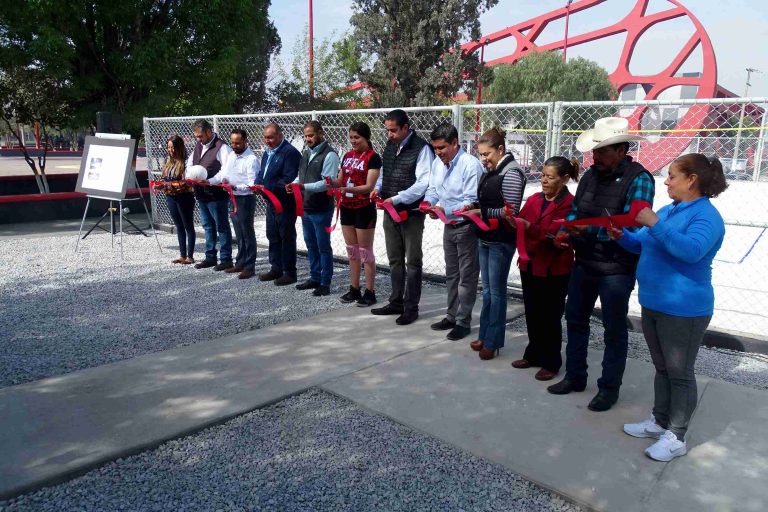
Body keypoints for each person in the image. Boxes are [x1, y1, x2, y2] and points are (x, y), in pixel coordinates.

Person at [613, 154, 726, 461]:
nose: (666, 181)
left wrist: (655, 224)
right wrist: (621, 235)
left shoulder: (706, 216)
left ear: (692, 180)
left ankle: (676, 435)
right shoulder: (669, 210)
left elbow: (690, 251)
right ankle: (660, 420)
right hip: (654, 302)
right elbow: (642, 243)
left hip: (684, 309)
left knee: (679, 372)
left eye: (672, 175)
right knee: (662, 367)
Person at [547, 117, 655, 413]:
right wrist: (565, 230)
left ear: (621, 150)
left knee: (613, 329)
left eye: (603, 151)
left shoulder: (640, 179)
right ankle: (575, 376)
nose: (595, 156)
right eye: (595, 150)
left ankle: (609, 388)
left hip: (616, 269)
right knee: (576, 320)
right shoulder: (590, 176)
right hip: (584, 262)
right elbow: (577, 211)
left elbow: (634, 226)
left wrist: (587, 230)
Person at [510, 157, 578, 379]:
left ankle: (551, 361)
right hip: (530, 265)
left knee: (550, 315)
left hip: (554, 269)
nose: (544, 181)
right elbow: (521, 222)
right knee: (532, 311)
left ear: (565, 179)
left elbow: (558, 238)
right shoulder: (534, 199)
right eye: (542, 176)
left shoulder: (570, 205)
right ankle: (533, 353)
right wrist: (509, 219)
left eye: (550, 177)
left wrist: (531, 228)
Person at [465, 128, 526, 360]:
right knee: (488, 291)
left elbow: (511, 210)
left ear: (500, 149)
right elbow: (486, 199)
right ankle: (484, 335)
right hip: (485, 235)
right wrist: (473, 206)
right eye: (480, 154)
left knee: (497, 293)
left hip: (501, 239)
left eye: (486, 154)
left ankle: (494, 340)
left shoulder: (511, 173)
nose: (483, 159)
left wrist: (483, 212)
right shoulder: (491, 170)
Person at [371, 109, 435, 325]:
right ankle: (396, 301)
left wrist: (397, 199)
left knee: (413, 261)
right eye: (387, 130)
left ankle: (411, 307)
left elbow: (422, 184)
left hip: (411, 214)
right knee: (394, 259)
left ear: (406, 127)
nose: (389, 134)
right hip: (390, 210)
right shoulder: (390, 145)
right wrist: (378, 190)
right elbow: (385, 174)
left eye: (393, 130)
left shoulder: (422, 148)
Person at [424, 123, 482, 341]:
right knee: (452, 274)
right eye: (435, 149)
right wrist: (429, 203)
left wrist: (443, 210)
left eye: (442, 148)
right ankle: (451, 315)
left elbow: (470, 202)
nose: (438, 153)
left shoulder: (470, 165)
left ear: (455, 143)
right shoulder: (438, 164)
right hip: (448, 225)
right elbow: (432, 189)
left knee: (466, 276)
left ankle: (463, 321)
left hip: (466, 227)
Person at [289, 121, 340, 296]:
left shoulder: (330, 155)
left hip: (321, 208)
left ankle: (325, 282)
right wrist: (294, 184)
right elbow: (300, 176)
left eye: (311, 135)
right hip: (306, 207)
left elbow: (327, 183)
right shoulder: (305, 153)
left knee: (323, 246)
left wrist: (303, 187)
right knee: (311, 245)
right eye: (306, 136)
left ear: (321, 133)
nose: (308, 139)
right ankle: (314, 277)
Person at [336, 122, 381, 307]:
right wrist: (333, 183)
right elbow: (340, 179)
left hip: (364, 207)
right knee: (352, 250)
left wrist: (345, 188)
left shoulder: (373, 157)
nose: (353, 141)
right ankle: (354, 288)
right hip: (347, 207)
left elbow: (369, 186)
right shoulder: (347, 155)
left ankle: (370, 291)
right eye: (351, 137)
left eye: (357, 137)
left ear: (366, 138)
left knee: (365, 251)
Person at [208, 129, 259, 279]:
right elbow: (223, 173)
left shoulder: (251, 159)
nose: (234, 145)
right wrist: (209, 181)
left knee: (247, 233)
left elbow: (253, 185)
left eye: (238, 142)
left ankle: (250, 266)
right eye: (232, 142)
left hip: (245, 199)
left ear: (245, 141)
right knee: (239, 233)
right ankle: (240, 263)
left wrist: (235, 187)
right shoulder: (231, 155)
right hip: (232, 197)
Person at [256, 122, 302, 286]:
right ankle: (276, 268)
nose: (267, 141)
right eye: (266, 137)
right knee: (272, 234)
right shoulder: (267, 153)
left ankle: (289, 272)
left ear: (280, 136)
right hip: (271, 202)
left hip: (285, 202)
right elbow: (262, 173)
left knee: (286, 236)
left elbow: (289, 177)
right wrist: (257, 184)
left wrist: (267, 187)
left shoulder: (290, 153)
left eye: (271, 137)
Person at [187, 119, 234, 271]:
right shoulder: (198, 146)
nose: (199, 139)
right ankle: (210, 257)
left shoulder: (222, 147)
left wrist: (210, 180)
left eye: (200, 136)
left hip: (216, 195)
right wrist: (189, 175)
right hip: (202, 194)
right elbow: (190, 164)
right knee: (207, 226)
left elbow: (226, 170)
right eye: (197, 137)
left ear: (209, 132)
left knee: (222, 227)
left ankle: (226, 258)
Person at [157, 135, 195, 264]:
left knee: (188, 226)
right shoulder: (168, 162)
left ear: (179, 147)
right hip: (170, 197)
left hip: (184, 197)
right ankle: (182, 255)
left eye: (173, 147)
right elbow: (164, 178)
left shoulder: (186, 162)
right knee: (179, 226)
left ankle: (190, 256)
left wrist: (169, 185)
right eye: (169, 147)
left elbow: (187, 182)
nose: (170, 150)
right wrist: (160, 184)